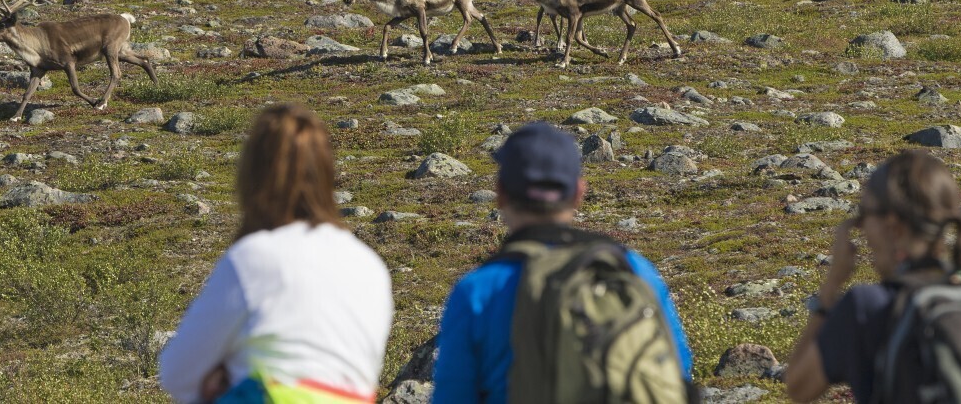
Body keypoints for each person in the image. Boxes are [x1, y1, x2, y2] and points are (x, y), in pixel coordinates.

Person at [432, 121, 694, 404]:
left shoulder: (478, 290)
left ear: (501, 193)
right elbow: (678, 374)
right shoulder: (634, 268)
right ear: (579, 193)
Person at [159, 104, 393, 404]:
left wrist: (220, 380)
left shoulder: (255, 258)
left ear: (252, 175)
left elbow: (177, 373)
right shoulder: (370, 265)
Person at [784, 149, 961, 403]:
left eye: (864, 214)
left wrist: (830, 288)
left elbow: (798, 388)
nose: (860, 227)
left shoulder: (866, 306)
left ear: (892, 226)